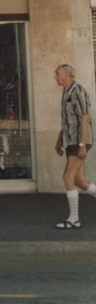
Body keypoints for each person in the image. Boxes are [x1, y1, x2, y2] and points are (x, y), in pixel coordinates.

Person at [53, 63, 96, 229]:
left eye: (57, 73)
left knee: (68, 177)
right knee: (78, 180)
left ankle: (74, 219)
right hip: (71, 141)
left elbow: (85, 119)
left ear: (67, 75)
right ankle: (74, 218)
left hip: (79, 141)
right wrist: (59, 141)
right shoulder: (66, 92)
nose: (55, 77)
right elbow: (67, 121)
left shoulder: (78, 91)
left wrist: (82, 145)